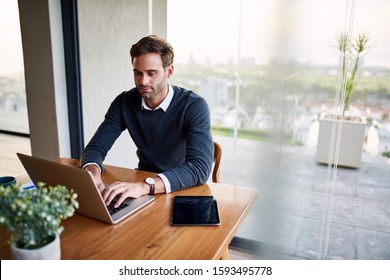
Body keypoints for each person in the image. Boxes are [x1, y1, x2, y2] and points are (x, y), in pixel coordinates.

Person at [80, 35, 214, 208]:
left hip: (183, 187)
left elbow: (199, 168)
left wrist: (146, 186)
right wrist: (92, 174)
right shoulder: (124, 103)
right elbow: (95, 148)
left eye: (151, 73)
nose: (143, 81)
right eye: (137, 73)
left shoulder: (194, 106)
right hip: (144, 187)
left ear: (169, 71)